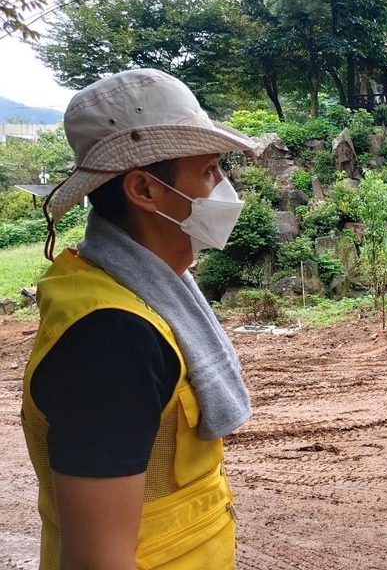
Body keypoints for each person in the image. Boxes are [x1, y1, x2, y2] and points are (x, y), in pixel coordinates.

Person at [21, 69, 255, 569]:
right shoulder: (110, 339)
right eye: (210, 170)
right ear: (144, 190)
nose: (224, 189)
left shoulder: (145, 298)